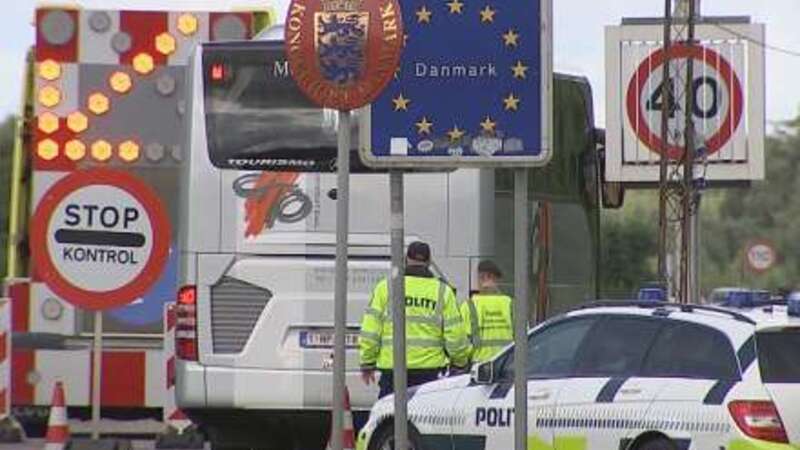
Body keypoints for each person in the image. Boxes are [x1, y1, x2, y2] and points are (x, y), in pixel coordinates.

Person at [359, 241, 471, 398]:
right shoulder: (443, 291)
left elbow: (371, 331)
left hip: (393, 370)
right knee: (427, 413)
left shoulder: (386, 288)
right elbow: (455, 334)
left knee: (390, 412)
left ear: (406, 259)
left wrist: (367, 362)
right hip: (430, 372)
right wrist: (460, 362)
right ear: (429, 262)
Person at [460, 260, 514, 364]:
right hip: (506, 365)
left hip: (479, 365)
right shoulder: (511, 304)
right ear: (495, 279)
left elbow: (461, 342)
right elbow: (525, 338)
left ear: (483, 277)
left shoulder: (468, 306)